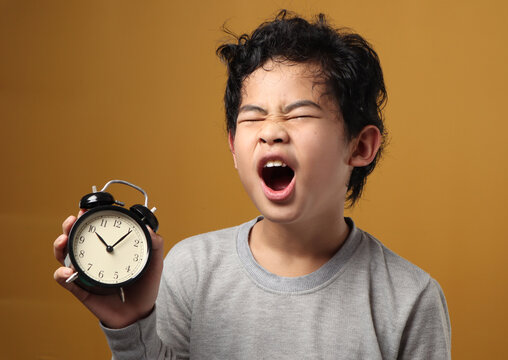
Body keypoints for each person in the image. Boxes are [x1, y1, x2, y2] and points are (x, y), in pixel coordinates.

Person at [54, 10, 451, 359]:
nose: (271, 132)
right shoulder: (191, 270)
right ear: (233, 147)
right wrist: (130, 325)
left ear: (360, 146)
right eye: (253, 117)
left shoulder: (410, 299)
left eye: (299, 115)